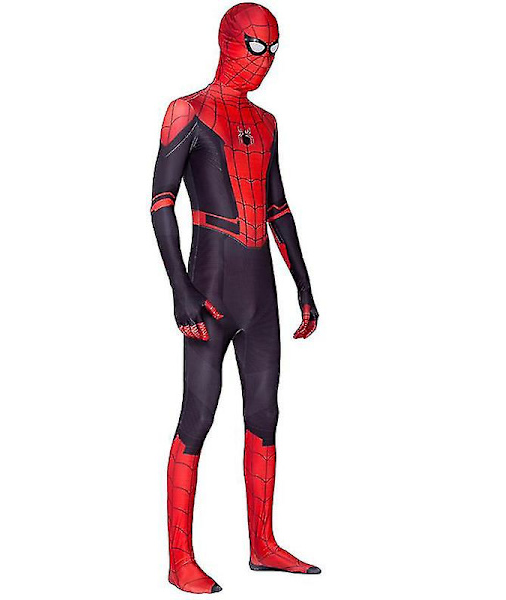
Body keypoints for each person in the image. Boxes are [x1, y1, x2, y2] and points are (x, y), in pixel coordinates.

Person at [151, 3, 320, 593]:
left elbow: (278, 207)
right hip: (210, 289)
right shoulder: (187, 111)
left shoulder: (268, 123)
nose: (266, 60)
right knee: (197, 415)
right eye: (256, 46)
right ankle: (179, 558)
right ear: (226, 41)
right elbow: (161, 204)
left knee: (265, 414)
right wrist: (181, 291)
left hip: (260, 297)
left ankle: (263, 544)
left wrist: (304, 286)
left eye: (274, 49)